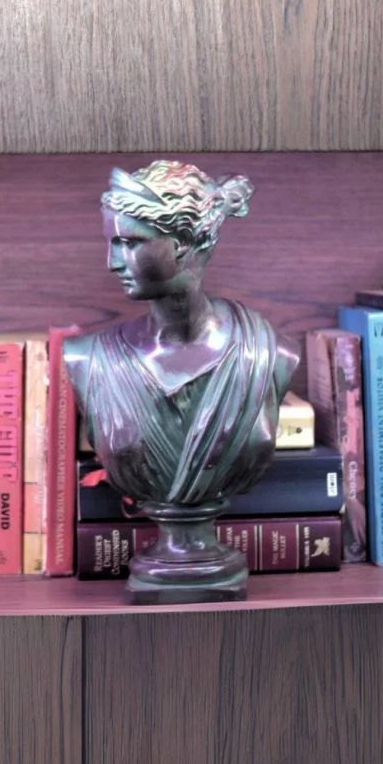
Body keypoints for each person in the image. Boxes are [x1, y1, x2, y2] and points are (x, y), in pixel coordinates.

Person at [64, 160, 300, 510]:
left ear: (184, 242)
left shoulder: (272, 355)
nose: (112, 263)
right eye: (111, 243)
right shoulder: (85, 358)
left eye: (129, 243)